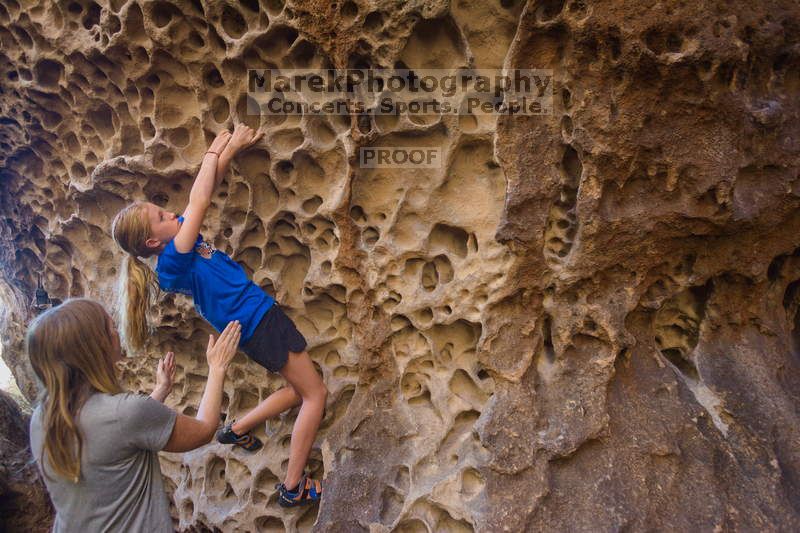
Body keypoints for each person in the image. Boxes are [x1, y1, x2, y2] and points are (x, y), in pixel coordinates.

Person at [111, 124, 326, 507]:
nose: (172, 212)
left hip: (252, 323)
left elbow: (203, 194)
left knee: (297, 387)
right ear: (152, 242)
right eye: (162, 215)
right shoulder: (174, 258)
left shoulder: (178, 248)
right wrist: (212, 153)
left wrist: (229, 152)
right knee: (315, 394)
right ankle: (293, 486)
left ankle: (238, 429)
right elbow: (199, 200)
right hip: (259, 320)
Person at [27, 298, 242, 532]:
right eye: (110, 328)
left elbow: (115, 437)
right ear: (95, 348)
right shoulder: (125, 413)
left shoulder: (42, 418)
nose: (117, 332)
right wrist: (217, 367)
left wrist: (160, 391)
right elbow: (203, 430)